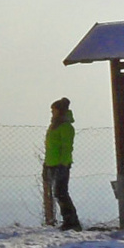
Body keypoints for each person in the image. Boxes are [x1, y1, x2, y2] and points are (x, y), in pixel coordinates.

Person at [45, 97, 82, 231]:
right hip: (53, 163)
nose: (52, 113)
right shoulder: (54, 126)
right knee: (59, 193)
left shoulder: (65, 127)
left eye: (53, 110)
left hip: (61, 164)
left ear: (59, 111)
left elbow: (67, 147)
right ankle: (69, 221)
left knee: (61, 192)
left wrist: (63, 163)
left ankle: (72, 221)